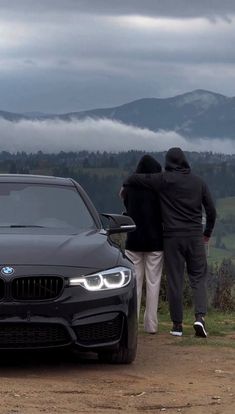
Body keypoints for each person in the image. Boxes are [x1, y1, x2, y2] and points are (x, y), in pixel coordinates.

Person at [123, 147, 216, 337]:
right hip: (194, 236)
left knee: (175, 280)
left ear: (168, 163)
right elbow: (211, 210)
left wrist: (127, 181)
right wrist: (206, 232)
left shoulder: (164, 180)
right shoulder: (199, 182)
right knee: (197, 277)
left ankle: (177, 325)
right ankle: (199, 317)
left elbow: (136, 179)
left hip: (172, 238)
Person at [121, 155, 163, 334]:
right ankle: (151, 325)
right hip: (155, 240)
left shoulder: (129, 186)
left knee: (134, 284)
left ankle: (133, 323)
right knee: (153, 282)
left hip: (134, 239)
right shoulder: (159, 188)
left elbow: (124, 202)